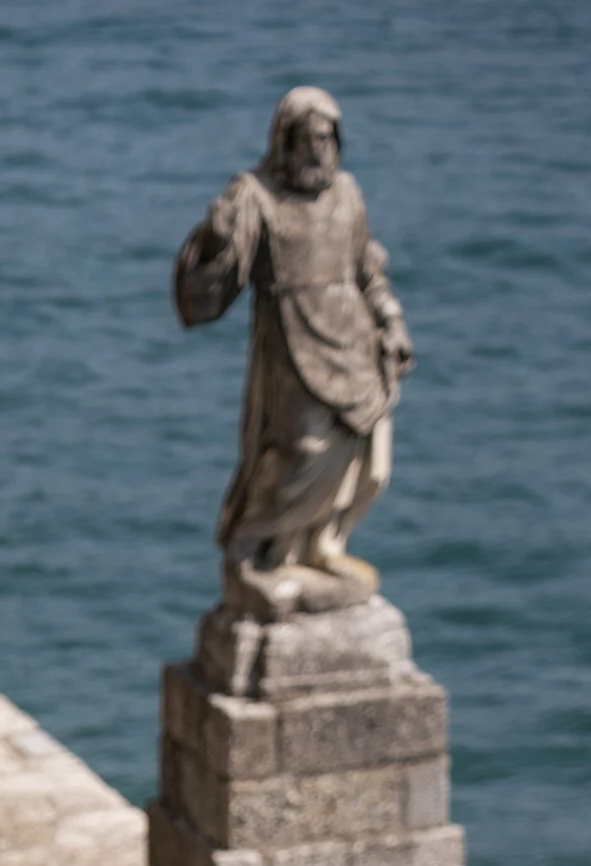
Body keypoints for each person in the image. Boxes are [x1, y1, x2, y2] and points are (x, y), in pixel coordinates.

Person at [174, 86, 415, 612]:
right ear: (284, 142)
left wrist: (392, 325)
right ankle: (252, 553)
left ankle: (321, 546)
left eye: (327, 140)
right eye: (308, 141)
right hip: (292, 348)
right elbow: (212, 285)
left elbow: (368, 270)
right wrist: (212, 242)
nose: (319, 153)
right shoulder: (255, 195)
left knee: (369, 466)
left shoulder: (347, 194)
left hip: (355, 346)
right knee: (297, 456)